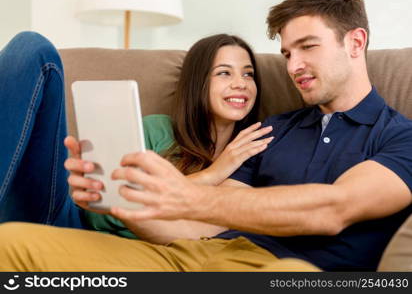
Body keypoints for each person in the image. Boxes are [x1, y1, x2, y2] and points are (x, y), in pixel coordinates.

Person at [1, 0, 411, 272]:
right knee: (10, 244)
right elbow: (201, 223)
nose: (293, 65)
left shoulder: (400, 137)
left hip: (278, 270)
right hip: (190, 256)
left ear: (355, 42)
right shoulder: (271, 129)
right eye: (287, 53)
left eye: (308, 47)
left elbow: (334, 209)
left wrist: (192, 195)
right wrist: (123, 204)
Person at [0, 33, 273, 243]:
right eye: (224, 72)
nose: (241, 83)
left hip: (130, 252)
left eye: (248, 74)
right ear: (198, 83)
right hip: (69, 224)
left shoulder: (257, 153)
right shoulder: (156, 130)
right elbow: (100, 213)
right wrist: (212, 174)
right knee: (33, 47)